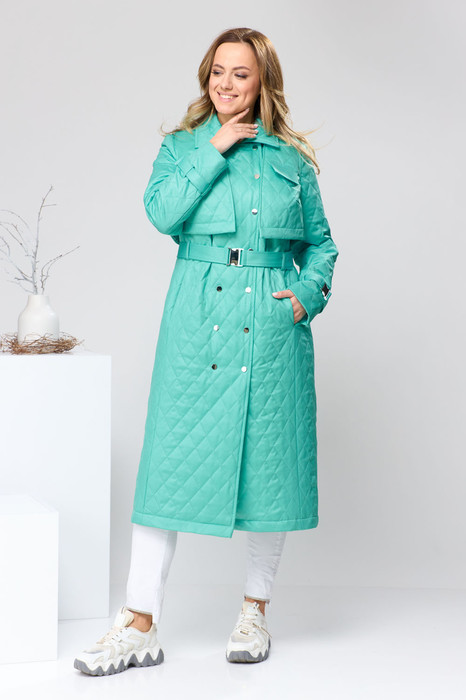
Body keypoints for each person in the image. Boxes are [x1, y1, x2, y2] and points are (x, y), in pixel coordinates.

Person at [74, 26, 338, 676]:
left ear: (263, 80)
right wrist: (214, 148)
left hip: (270, 326)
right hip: (198, 326)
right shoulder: (183, 146)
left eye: (240, 73)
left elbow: (322, 246)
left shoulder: (292, 161)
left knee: (270, 469)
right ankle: (138, 623)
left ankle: (255, 609)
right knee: (167, 468)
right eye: (218, 71)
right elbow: (162, 213)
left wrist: (306, 296)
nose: (226, 84)